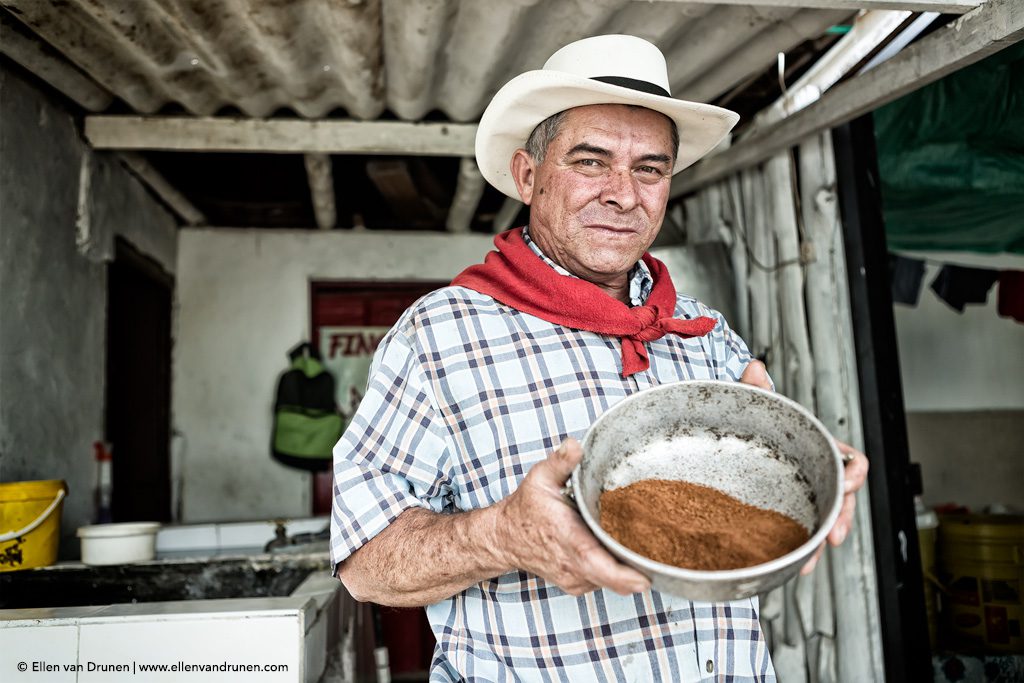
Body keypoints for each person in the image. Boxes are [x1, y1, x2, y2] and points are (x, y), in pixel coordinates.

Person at [330, 34, 869, 681]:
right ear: (529, 174)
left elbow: (756, 507)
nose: (623, 193)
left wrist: (822, 469)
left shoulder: (701, 333)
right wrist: (501, 535)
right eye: (591, 161)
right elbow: (364, 563)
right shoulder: (439, 337)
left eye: (649, 168)